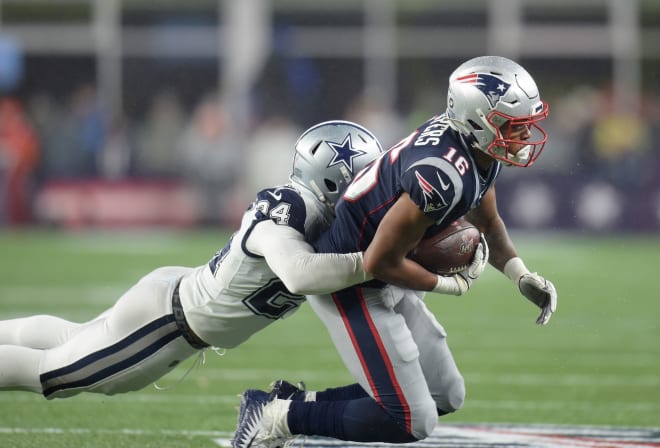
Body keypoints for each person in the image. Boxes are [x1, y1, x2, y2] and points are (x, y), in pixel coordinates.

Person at [233, 55, 558, 447]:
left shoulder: (477, 148)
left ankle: (293, 402)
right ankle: (273, 418)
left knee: (446, 395)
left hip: (387, 266)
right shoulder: (441, 173)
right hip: (351, 281)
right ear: (476, 119)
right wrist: (449, 285)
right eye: (512, 126)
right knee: (411, 421)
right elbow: (377, 262)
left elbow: (488, 222)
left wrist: (519, 275)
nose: (522, 137)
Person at [0, 120, 385, 398]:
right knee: (53, 374)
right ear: (332, 179)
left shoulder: (315, 213)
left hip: (174, 305)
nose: (370, 192)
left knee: (71, 339)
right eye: (363, 180)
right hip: (167, 322)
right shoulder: (292, 209)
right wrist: (373, 260)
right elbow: (300, 275)